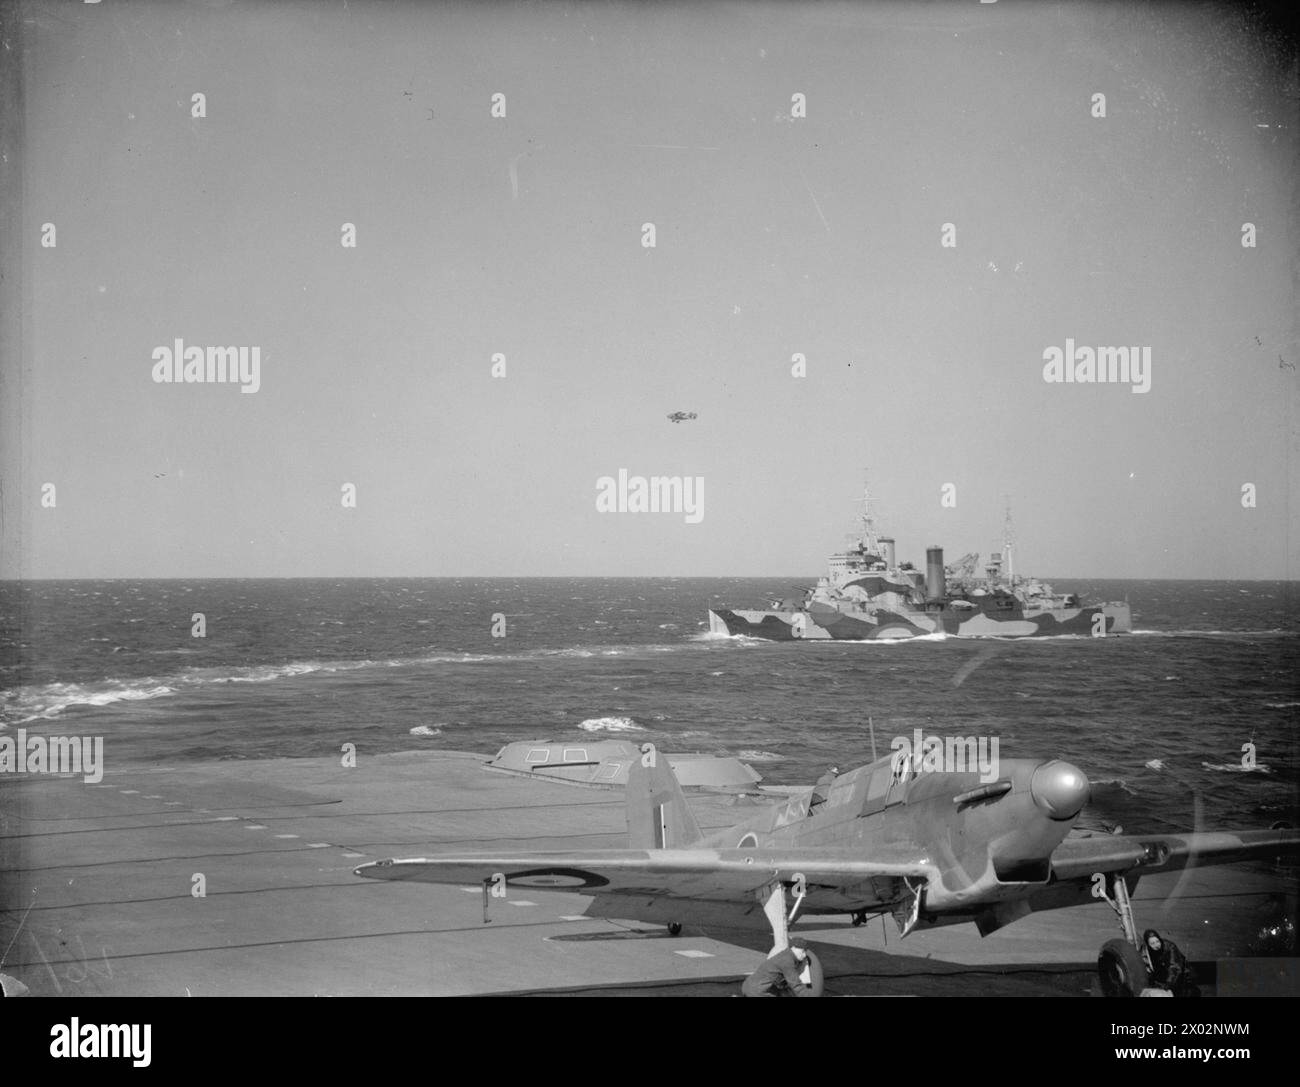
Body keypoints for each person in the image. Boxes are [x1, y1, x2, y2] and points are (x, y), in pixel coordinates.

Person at [741, 937, 815, 997]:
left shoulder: (786, 954)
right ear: (793, 948)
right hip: (757, 991)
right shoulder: (787, 961)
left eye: (805, 952)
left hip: (750, 986)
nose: (804, 955)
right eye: (802, 951)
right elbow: (796, 985)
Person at [1143, 929, 1198, 997]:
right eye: (1152, 943)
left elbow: (1175, 967)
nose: (1156, 945)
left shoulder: (1170, 947)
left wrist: (1168, 984)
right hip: (1168, 980)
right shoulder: (1146, 952)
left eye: (1157, 941)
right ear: (1148, 945)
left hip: (1184, 977)